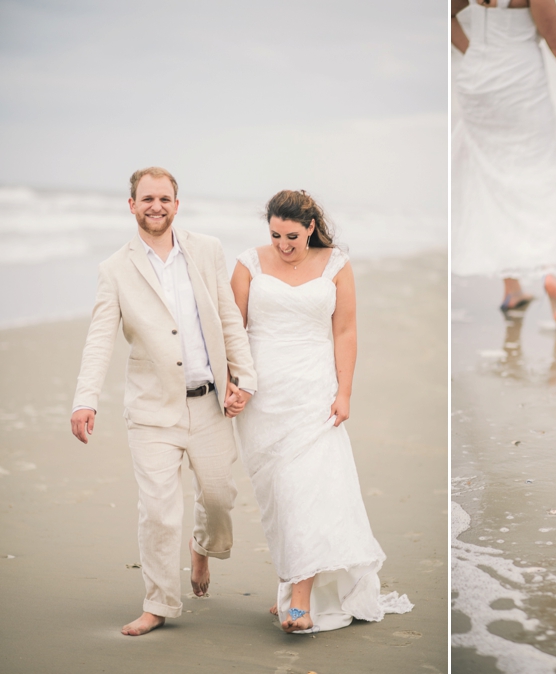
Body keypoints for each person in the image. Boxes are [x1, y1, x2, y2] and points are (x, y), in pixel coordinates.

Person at [70, 167, 257, 636]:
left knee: (219, 497)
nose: (157, 206)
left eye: (165, 198)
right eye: (147, 198)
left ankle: (202, 548)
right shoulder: (114, 269)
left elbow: (228, 317)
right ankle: (157, 603)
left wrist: (245, 378)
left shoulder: (207, 250)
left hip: (209, 404)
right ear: (131, 204)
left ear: (177, 204)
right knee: (157, 509)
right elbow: (99, 339)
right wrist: (84, 399)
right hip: (152, 411)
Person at [230, 190, 413, 634]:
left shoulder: (336, 264)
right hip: (262, 397)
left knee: (306, 492)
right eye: (275, 235)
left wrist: (344, 391)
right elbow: (232, 331)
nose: (283, 245)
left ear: (310, 227)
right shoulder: (248, 264)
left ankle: (300, 601)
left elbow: (346, 331)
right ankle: (290, 582)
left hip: (313, 390)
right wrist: (236, 385)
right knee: (277, 498)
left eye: (292, 236)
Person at [451, 0, 556, 328]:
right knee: (543, 178)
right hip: (520, 84)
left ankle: (512, 288)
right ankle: (550, 273)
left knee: (494, 180)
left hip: (478, 84)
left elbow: (447, 15)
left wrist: (475, 50)